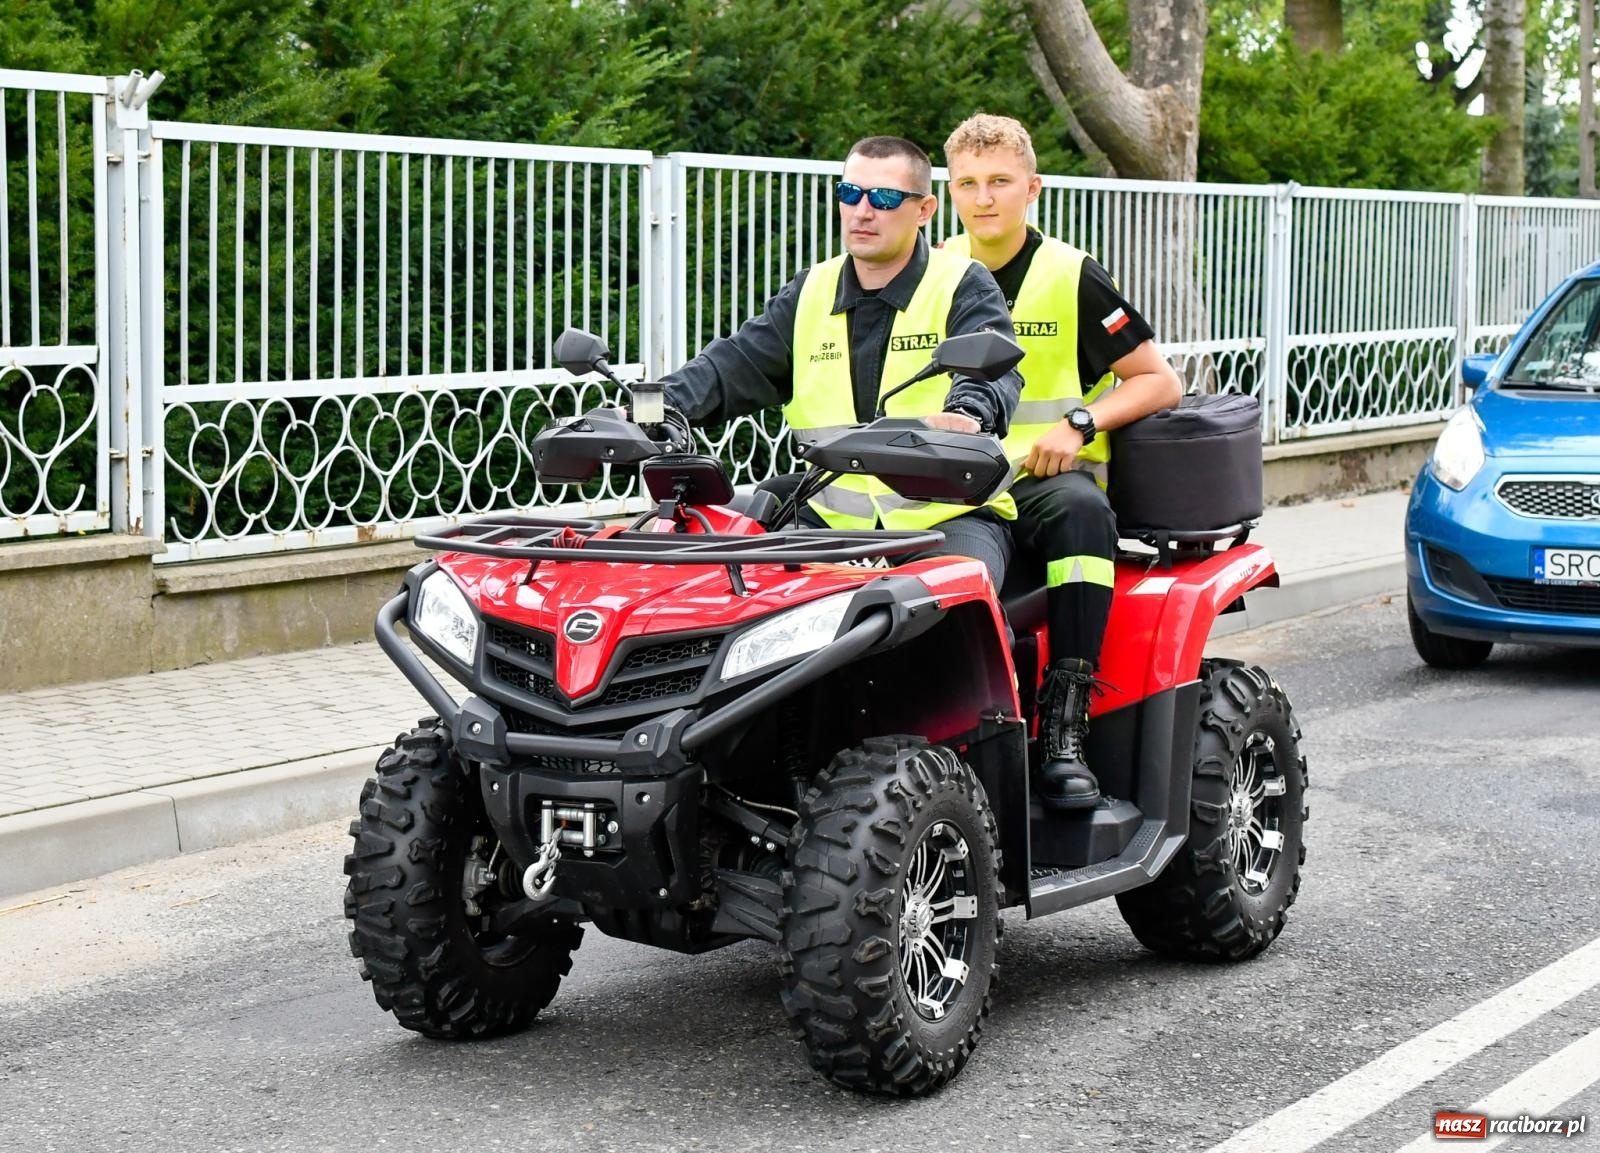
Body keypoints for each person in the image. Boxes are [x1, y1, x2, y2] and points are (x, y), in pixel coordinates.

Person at [942, 113, 1183, 812]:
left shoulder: (1071, 275)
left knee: (1083, 516)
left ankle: (1065, 725)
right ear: (949, 193)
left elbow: (1158, 381)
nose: (984, 198)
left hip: (1043, 481)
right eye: (968, 183)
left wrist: (1081, 423)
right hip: (954, 484)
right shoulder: (933, 273)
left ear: (1033, 188)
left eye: (1000, 181)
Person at [660, 135, 1023, 589]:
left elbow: (991, 368)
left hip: (946, 519)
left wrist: (968, 412)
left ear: (925, 210)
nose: (862, 211)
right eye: (850, 193)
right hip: (826, 519)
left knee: (955, 599)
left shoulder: (962, 283)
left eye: (884, 198)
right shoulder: (811, 289)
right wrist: (652, 407)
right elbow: (733, 364)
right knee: (728, 592)